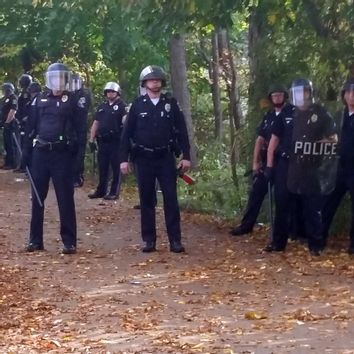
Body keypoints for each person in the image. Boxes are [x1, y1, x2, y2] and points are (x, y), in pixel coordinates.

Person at [120, 65, 191, 253]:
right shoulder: (137, 105)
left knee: (171, 199)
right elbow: (126, 134)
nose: (155, 82)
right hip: (143, 158)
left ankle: (175, 240)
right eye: (152, 80)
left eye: (158, 80)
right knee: (146, 200)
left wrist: (187, 156)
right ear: (145, 83)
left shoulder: (171, 104)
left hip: (165, 158)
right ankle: (149, 240)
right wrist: (124, 159)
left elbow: (182, 131)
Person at [264, 78, 337, 256]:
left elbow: (333, 138)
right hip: (286, 166)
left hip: (310, 166)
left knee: (312, 206)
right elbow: (274, 140)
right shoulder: (286, 113)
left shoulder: (320, 113)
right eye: (297, 93)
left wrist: (314, 144)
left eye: (303, 92)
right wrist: (269, 166)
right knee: (282, 204)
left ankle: (316, 245)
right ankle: (278, 243)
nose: (300, 96)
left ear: (310, 93)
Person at [22, 63, 87, 254]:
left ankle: (69, 241)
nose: (57, 82)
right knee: (37, 198)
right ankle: (35, 240)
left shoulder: (74, 101)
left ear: (65, 79)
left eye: (60, 78)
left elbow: (80, 132)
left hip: (63, 155)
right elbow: (30, 128)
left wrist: (78, 161)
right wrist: (26, 154)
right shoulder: (39, 99)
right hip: (40, 153)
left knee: (65, 198)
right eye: (54, 78)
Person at [230, 84, 289, 236]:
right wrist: (255, 162)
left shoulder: (291, 115)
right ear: (271, 98)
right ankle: (246, 225)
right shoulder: (268, 117)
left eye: (280, 95)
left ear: (285, 97)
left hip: (284, 162)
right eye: (274, 95)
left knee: (283, 198)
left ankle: (284, 231)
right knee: (256, 193)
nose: (277, 98)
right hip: (266, 163)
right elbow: (259, 140)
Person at [322, 78, 354, 254]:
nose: (351, 96)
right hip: (339, 167)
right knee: (329, 201)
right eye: (348, 93)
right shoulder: (340, 116)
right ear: (344, 95)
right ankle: (320, 238)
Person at [88, 82, 126, 200]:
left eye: (112, 91)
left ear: (117, 92)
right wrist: (91, 139)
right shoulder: (102, 106)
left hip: (116, 141)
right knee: (102, 167)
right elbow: (96, 122)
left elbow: (126, 122)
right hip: (102, 141)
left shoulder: (122, 106)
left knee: (116, 168)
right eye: (108, 91)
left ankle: (114, 192)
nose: (110, 93)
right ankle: (101, 190)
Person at [71, 73, 91, 188]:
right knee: (70, 153)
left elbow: (81, 109)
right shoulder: (69, 94)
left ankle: (78, 177)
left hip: (80, 128)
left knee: (79, 153)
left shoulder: (83, 95)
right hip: (70, 128)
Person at [14, 74, 33, 172]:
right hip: (21, 122)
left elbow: (30, 108)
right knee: (21, 144)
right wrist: (17, 118)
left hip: (28, 123)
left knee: (27, 145)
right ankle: (22, 165)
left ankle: (27, 167)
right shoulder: (22, 93)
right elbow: (20, 107)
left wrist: (26, 118)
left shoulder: (30, 93)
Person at [0, 82, 18, 169]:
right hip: (4, 124)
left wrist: (7, 122)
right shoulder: (4, 99)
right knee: (6, 144)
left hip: (10, 124)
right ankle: (7, 162)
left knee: (11, 144)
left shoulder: (13, 97)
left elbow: (13, 111)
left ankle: (12, 163)